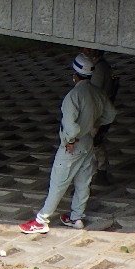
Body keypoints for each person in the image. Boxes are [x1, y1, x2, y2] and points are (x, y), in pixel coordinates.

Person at [19, 53, 116, 234]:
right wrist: (94, 126)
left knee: (58, 182)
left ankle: (42, 220)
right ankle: (77, 217)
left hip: (74, 144)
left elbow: (70, 125)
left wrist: (70, 139)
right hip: (88, 141)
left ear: (75, 75)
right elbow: (110, 114)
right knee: (83, 181)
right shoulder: (98, 93)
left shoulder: (73, 96)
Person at [81, 48, 118, 184]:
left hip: (96, 111)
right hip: (99, 109)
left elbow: (92, 91)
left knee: (92, 143)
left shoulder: (98, 68)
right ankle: (101, 170)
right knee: (96, 142)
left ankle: (94, 174)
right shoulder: (100, 66)